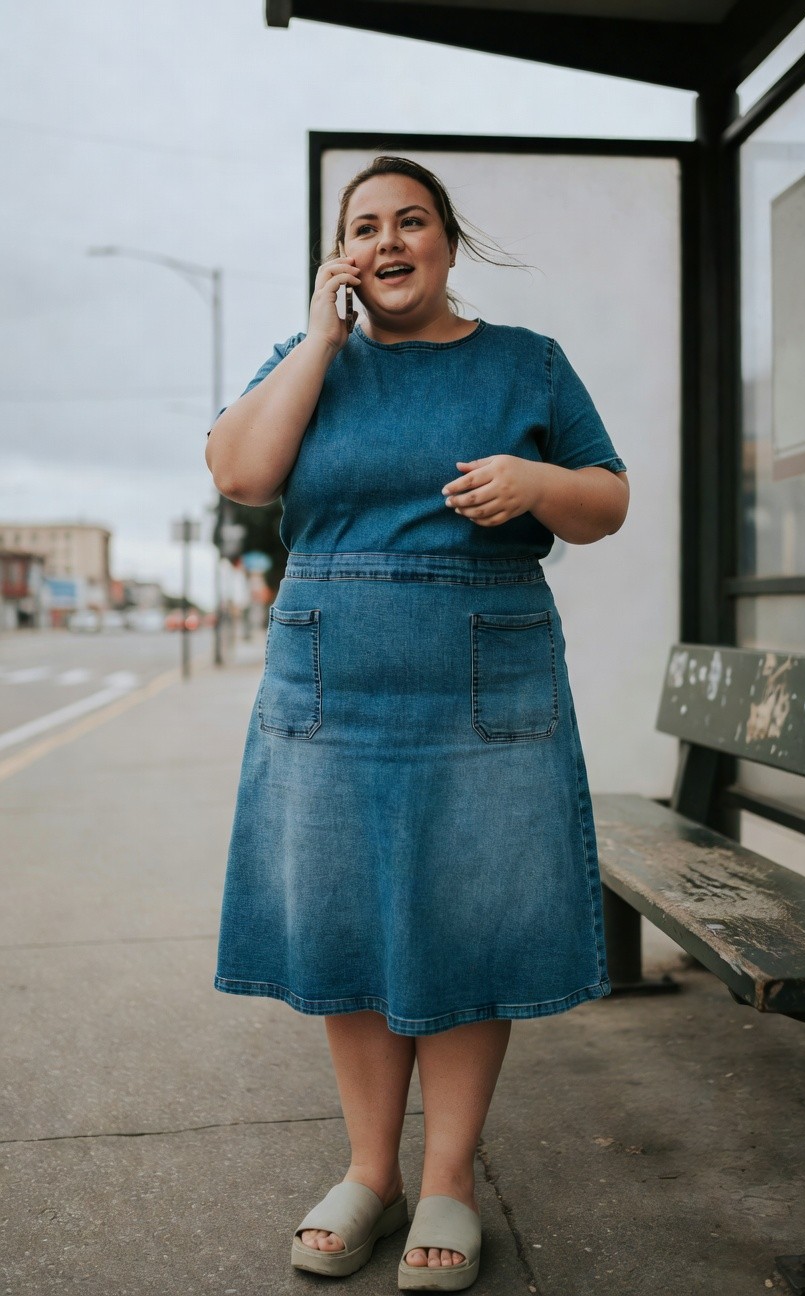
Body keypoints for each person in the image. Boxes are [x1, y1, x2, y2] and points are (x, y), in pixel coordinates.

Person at [206, 155, 629, 1292]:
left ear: (448, 240)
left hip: (481, 679)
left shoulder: (525, 361)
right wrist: (318, 338)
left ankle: (445, 1179)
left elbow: (610, 497)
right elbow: (243, 473)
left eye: (411, 221)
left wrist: (536, 486)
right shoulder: (310, 362)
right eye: (364, 228)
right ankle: (368, 1173)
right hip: (330, 677)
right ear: (341, 256)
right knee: (343, 919)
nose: (390, 241)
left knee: (467, 918)